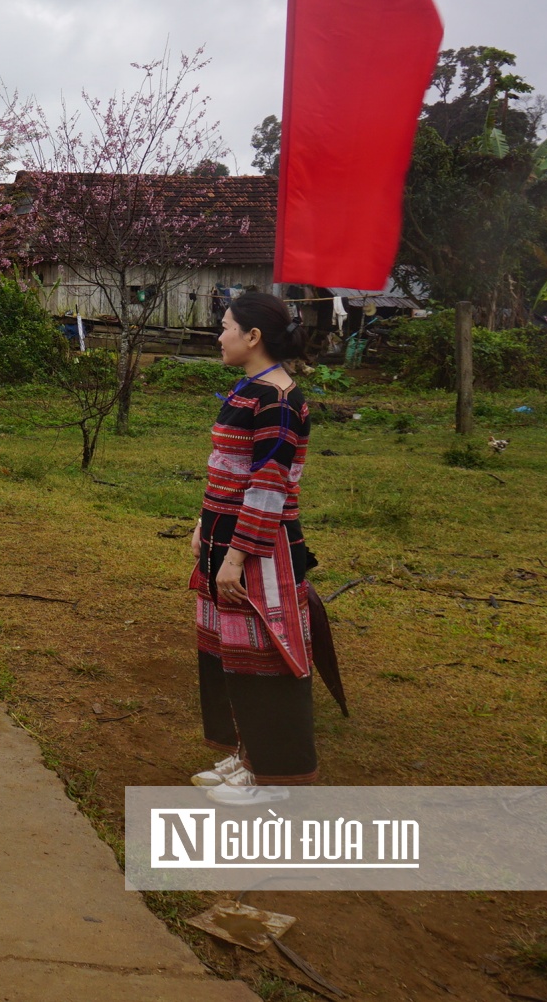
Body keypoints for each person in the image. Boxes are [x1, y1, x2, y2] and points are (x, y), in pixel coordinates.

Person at [188, 290, 341, 804]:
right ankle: (246, 752)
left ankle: (272, 777)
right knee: (230, 650)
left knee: (266, 654)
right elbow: (225, 469)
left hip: (261, 548)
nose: (220, 335)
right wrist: (202, 524)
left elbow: (268, 487)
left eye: (227, 326)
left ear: (253, 337)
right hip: (224, 534)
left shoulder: (278, 401)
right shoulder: (245, 390)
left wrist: (236, 556)